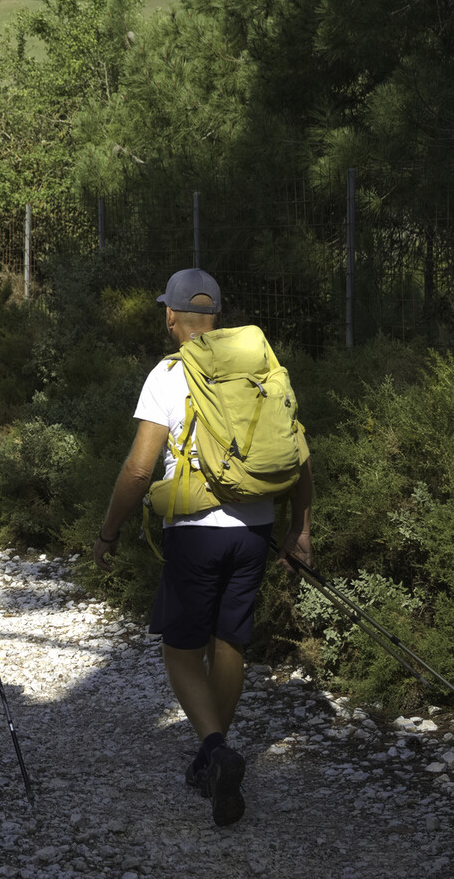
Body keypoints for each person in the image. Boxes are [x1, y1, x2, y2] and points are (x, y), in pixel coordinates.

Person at [92, 268, 314, 828]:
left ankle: (215, 751)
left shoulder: (168, 375)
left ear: (170, 316)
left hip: (195, 530)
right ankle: (208, 757)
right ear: (216, 315)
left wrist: (109, 530)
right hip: (256, 527)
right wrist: (299, 529)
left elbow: (141, 467)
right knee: (231, 639)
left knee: (180, 649)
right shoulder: (262, 369)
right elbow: (300, 455)